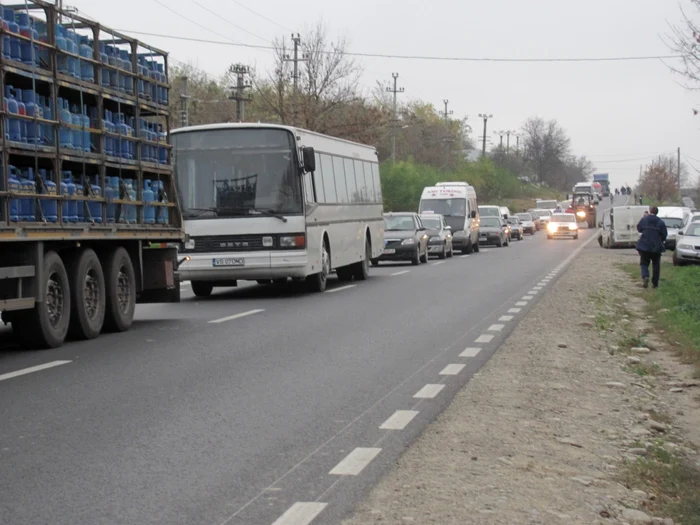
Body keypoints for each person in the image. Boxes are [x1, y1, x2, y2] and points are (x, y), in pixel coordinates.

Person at [636, 206, 668, 289]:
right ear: (657, 212)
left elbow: (639, 228)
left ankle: (645, 276)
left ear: (650, 211)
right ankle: (655, 283)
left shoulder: (644, 219)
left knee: (644, 263)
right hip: (656, 247)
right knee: (656, 265)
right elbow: (664, 235)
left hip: (644, 245)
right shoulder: (660, 222)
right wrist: (659, 239)